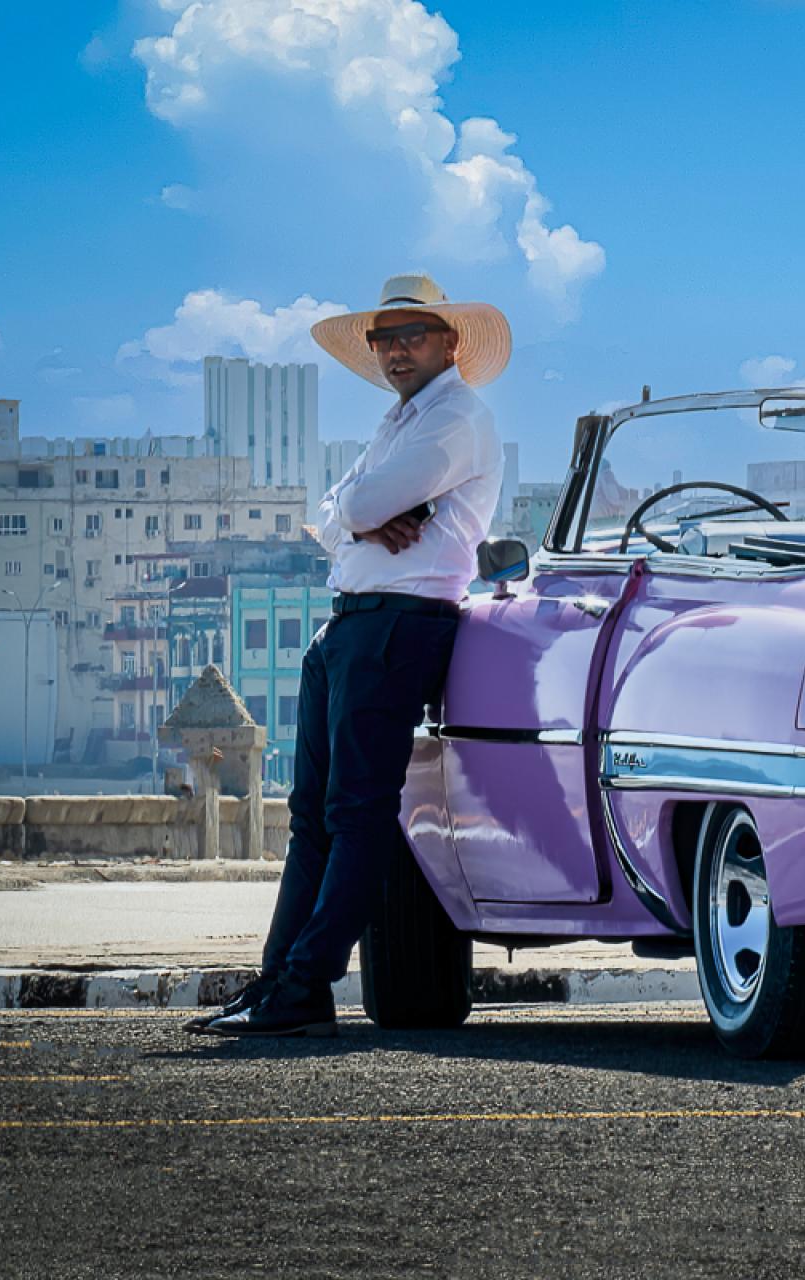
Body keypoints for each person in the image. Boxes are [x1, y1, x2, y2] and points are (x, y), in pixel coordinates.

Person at [191, 273, 508, 1037]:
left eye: (413, 335)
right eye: (384, 338)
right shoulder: (401, 421)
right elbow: (330, 515)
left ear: (449, 342)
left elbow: (358, 505)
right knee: (311, 817)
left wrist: (363, 511)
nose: (397, 350)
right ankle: (277, 984)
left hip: (400, 623)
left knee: (357, 812)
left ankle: (305, 986)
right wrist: (360, 515)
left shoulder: (456, 417)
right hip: (350, 624)